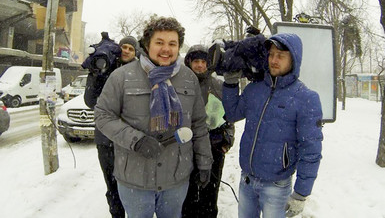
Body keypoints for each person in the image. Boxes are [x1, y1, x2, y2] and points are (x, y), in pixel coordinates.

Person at [94, 17, 213, 218]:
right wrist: (136, 140)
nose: (166, 49)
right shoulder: (122, 77)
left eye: (172, 44)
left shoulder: (188, 78)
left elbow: (199, 124)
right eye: (159, 42)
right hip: (134, 178)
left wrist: (204, 161)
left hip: (176, 177)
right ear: (147, 44)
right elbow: (103, 115)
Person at [222, 33, 323, 218]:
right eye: (271, 54)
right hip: (247, 180)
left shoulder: (306, 98)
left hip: (276, 187)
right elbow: (232, 114)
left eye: (280, 55)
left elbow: (311, 150)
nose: (274, 60)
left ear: (293, 59)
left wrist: (301, 193)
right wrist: (230, 83)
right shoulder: (255, 89)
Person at [84, 35, 139, 218]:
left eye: (131, 49)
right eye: (124, 47)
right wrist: (95, 74)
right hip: (105, 138)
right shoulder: (104, 66)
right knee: (112, 184)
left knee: (132, 184)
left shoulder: (140, 72)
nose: (127, 51)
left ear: (136, 52)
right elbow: (90, 100)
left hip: (130, 138)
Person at [182, 45, 235, 218]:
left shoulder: (218, 86)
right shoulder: (180, 85)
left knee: (210, 195)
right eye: (196, 61)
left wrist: (227, 140)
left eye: (203, 61)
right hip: (186, 148)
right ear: (189, 62)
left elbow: (230, 117)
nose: (199, 65)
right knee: (187, 196)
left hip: (214, 147)